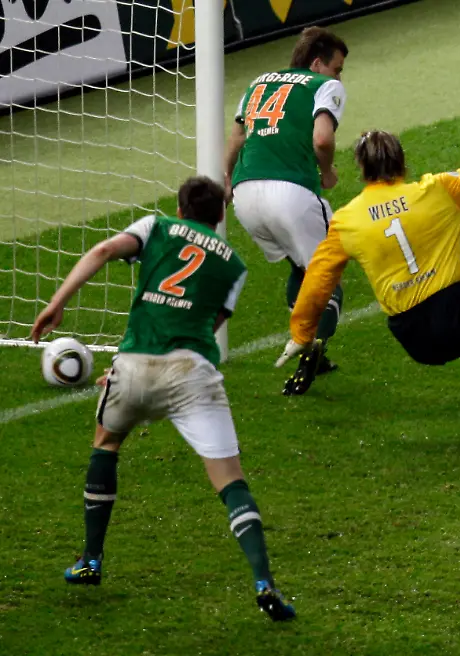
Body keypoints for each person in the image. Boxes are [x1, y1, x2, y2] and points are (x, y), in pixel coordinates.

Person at [31, 177, 294, 621]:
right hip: (192, 373)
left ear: (180, 206)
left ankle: (91, 560)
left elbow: (102, 252)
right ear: (220, 215)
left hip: (133, 367)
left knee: (107, 443)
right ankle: (264, 582)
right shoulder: (234, 265)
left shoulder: (156, 226)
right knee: (230, 481)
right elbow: (211, 323)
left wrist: (58, 302)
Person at [275, 99, 460, 463]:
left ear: (362, 169)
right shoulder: (437, 190)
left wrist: (302, 333)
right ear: (402, 162)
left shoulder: (347, 221)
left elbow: (318, 280)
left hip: (413, 336)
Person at [225, 26, 350, 396]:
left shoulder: (257, 82)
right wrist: (326, 171)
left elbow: (236, 138)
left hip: (246, 195)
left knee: (299, 265)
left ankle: (315, 353)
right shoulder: (322, 86)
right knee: (329, 276)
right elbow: (322, 138)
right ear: (317, 63)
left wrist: (227, 181)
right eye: (338, 68)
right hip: (292, 193)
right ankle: (312, 348)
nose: (340, 76)